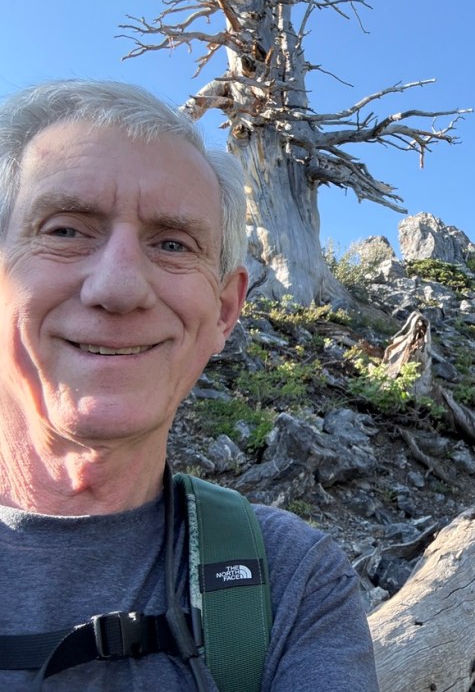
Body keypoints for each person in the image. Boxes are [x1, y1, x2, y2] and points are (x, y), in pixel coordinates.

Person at [0, 79, 379, 691]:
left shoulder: (290, 583)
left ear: (226, 312)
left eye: (173, 244)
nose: (120, 287)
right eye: (66, 230)